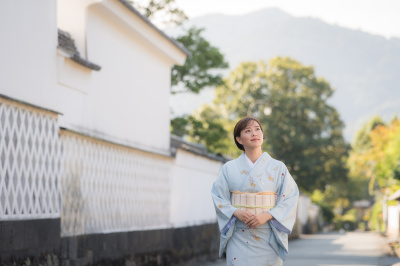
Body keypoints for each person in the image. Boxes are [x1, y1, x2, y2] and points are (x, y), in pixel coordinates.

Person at [211, 116, 299, 266]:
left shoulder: (278, 168)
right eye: (248, 130)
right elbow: (219, 196)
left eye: (258, 129)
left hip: (268, 234)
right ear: (239, 139)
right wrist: (236, 212)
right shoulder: (228, 168)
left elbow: (290, 197)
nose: (254, 133)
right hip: (238, 234)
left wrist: (266, 215)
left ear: (263, 135)